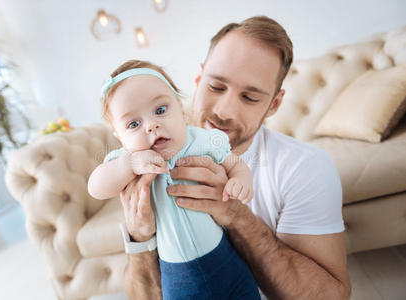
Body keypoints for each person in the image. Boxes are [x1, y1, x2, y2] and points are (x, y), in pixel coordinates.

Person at [119, 16, 351, 300]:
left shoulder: (305, 168)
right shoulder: (148, 160)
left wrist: (237, 216)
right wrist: (140, 240)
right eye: (216, 87)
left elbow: (333, 296)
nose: (225, 110)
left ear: (274, 104)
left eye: (250, 97)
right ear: (198, 79)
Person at [88, 60, 261, 299]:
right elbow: (96, 186)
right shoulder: (129, 160)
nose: (151, 125)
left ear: (181, 110)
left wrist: (242, 180)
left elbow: (234, 163)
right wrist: (128, 165)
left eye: (160, 110)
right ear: (120, 136)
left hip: (224, 257)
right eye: (134, 124)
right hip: (178, 273)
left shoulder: (200, 141)